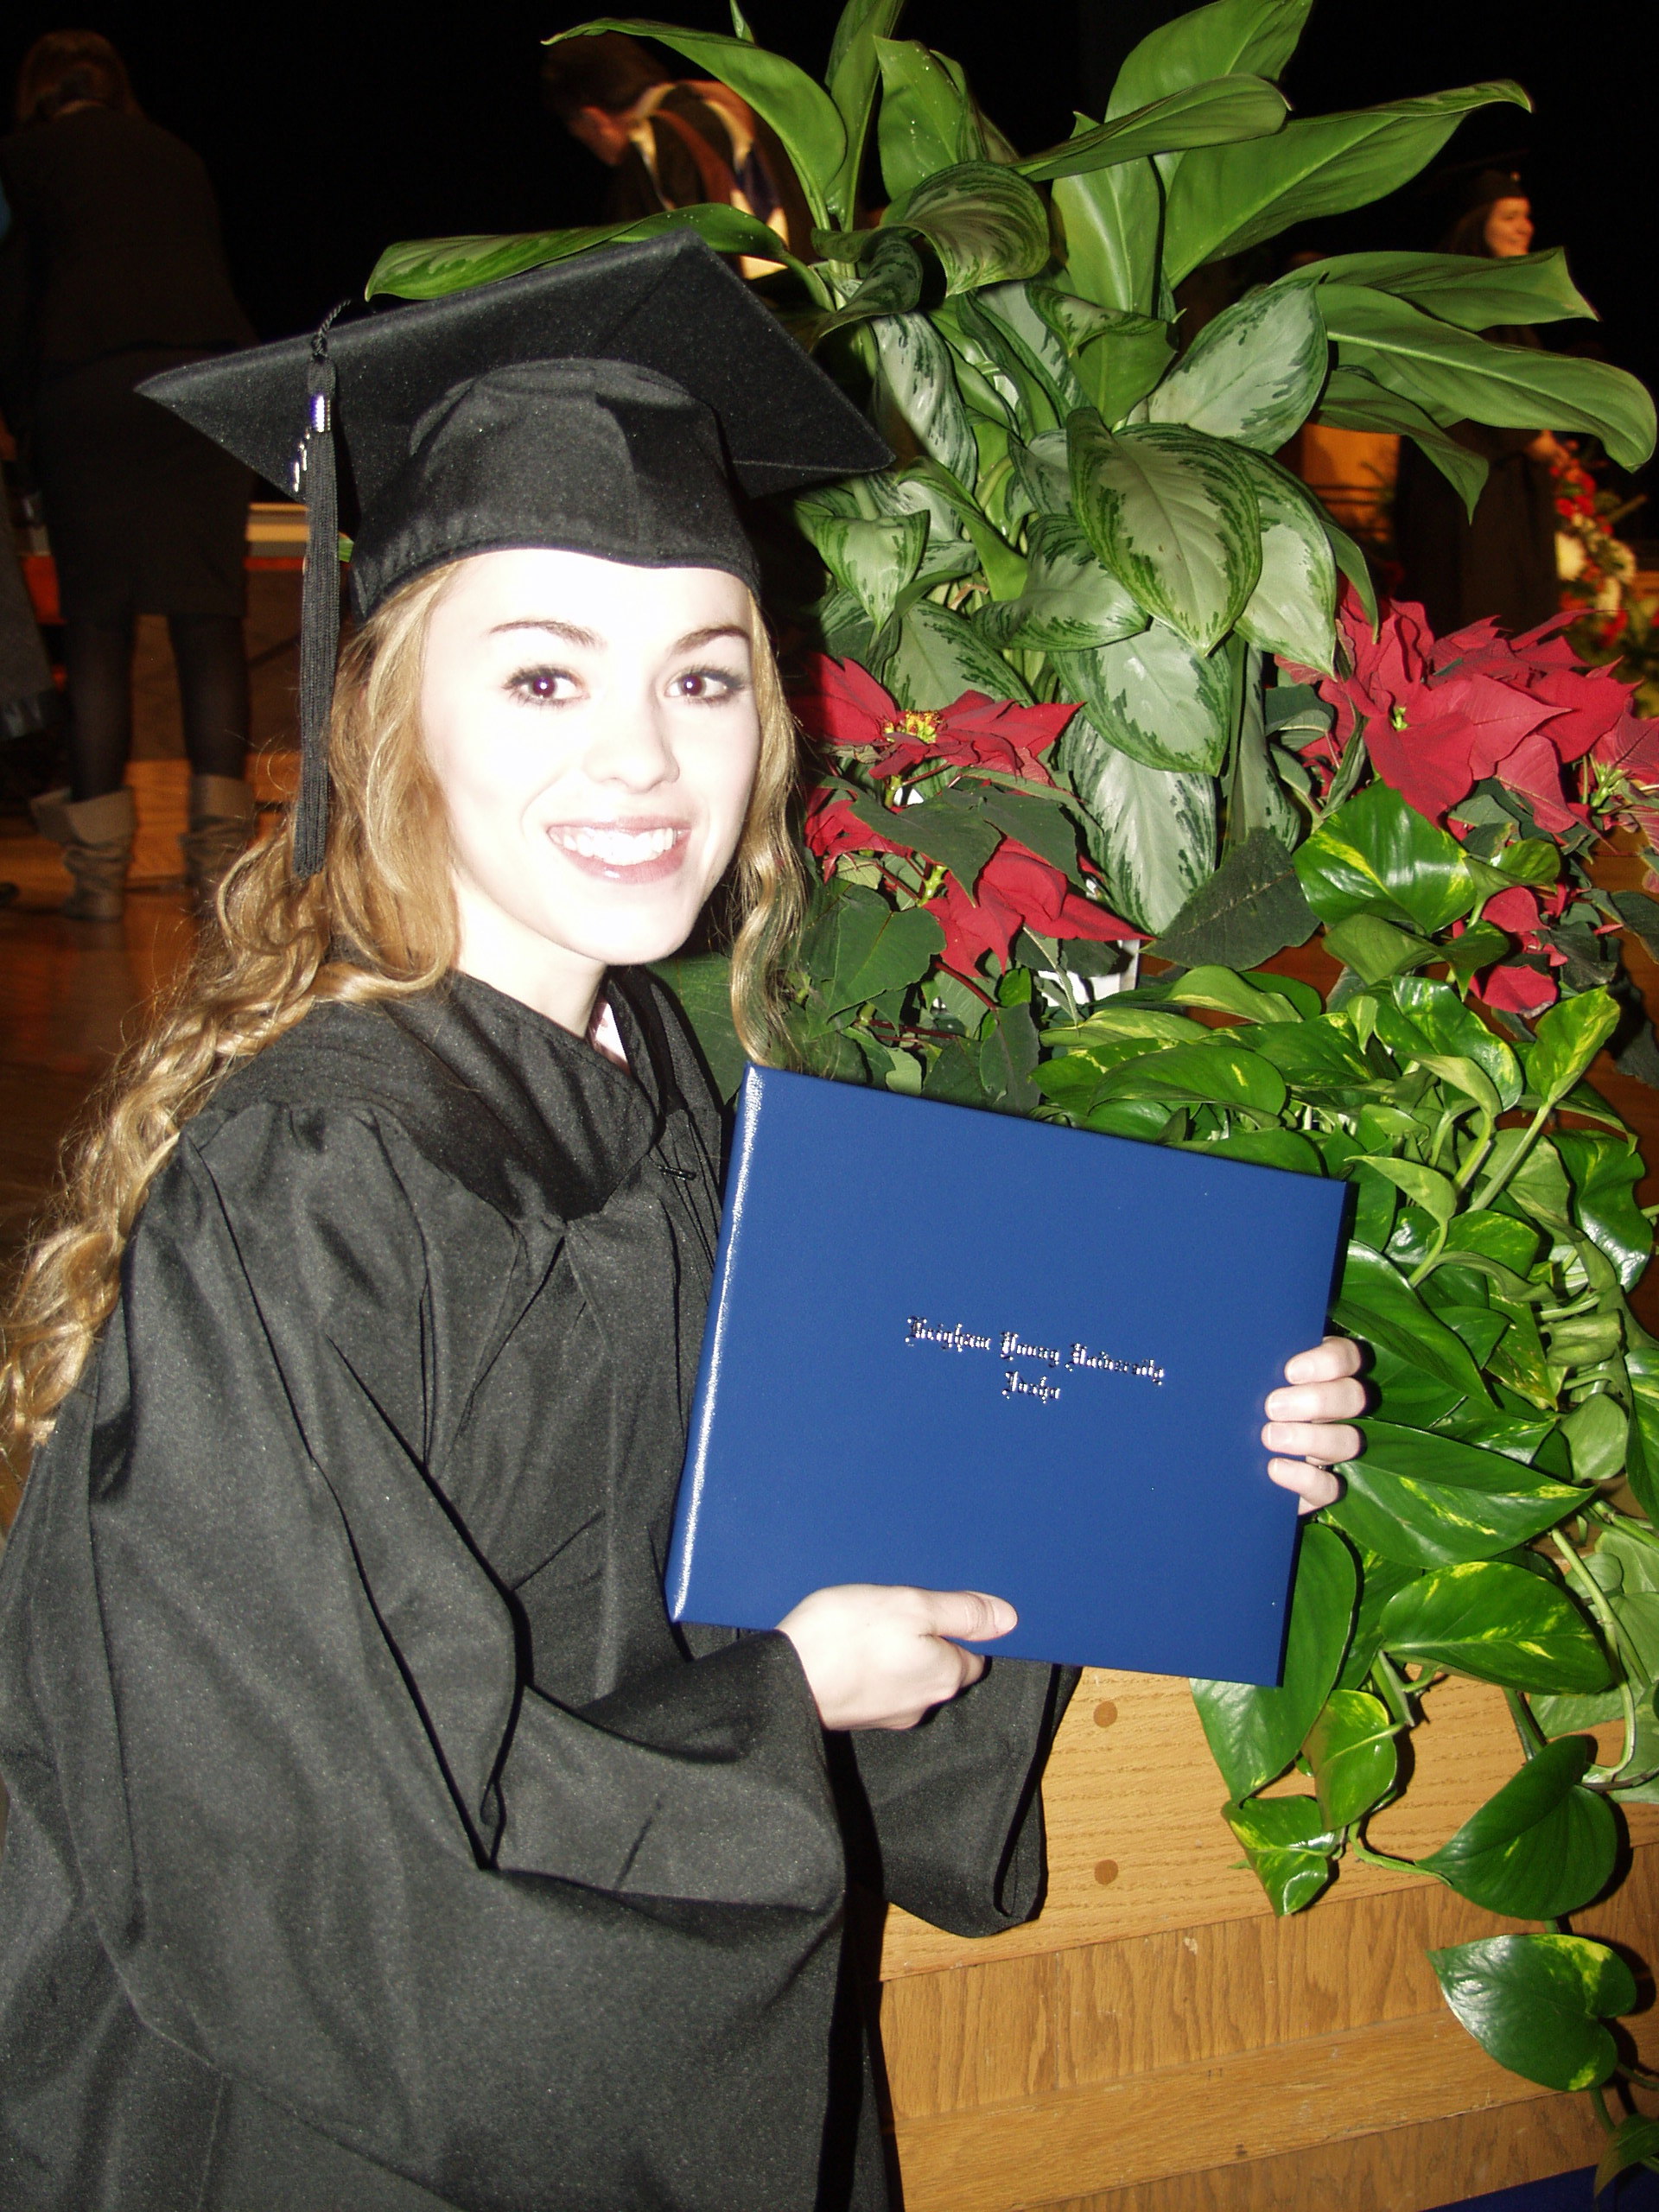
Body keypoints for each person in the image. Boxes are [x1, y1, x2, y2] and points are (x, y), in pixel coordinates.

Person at [0, 234, 1365, 2210]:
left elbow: (815, 1520)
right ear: (392, 715)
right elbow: (306, 1846)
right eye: (545, 671)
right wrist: (783, 1705)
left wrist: (1195, 1439)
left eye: (702, 673)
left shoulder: (659, 1087)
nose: (643, 755)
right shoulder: (315, 1184)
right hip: (343, 2118)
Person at [0, 31, 257, 921]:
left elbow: (17, 301)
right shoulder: (176, 155)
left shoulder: (24, 159)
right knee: (208, 623)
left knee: (98, 630)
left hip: (88, 385)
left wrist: (23, 428)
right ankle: (218, 869)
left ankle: (98, 879)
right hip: (203, 387)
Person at [1391, 169, 1566, 638]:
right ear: (1476, 223)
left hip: (1504, 488)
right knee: (1475, 608)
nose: (1525, 227)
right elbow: (1463, 377)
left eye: (1526, 216)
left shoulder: (1499, 297)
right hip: (1465, 491)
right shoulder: (1456, 297)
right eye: (1509, 216)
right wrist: (1529, 437)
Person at [543, 29, 811, 274]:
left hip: (757, 306)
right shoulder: (753, 105)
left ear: (594, 120)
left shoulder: (648, 149)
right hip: (824, 295)